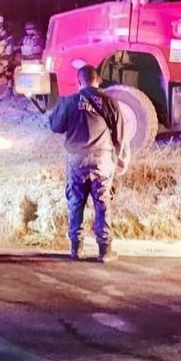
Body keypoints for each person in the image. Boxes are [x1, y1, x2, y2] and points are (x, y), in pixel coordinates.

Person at [48, 65, 128, 262]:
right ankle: (105, 251)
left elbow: (55, 126)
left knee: (76, 202)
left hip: (76, 159)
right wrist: (118, 158)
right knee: (103, 203)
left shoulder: (69, 101)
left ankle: (76, 249)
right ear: (98, 80)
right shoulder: (110, 102)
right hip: (102, 160)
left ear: (79, 81)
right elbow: (119, 135)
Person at [0, 15, 17, 81]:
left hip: (6, 58)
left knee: (5, 69)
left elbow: (10, 51)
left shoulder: (9, 37)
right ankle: (0, 76)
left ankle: (7, 77)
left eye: (1, 21)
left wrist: (8, 58)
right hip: (0, 58)